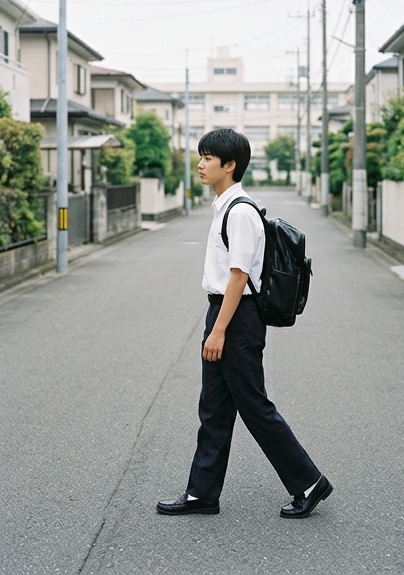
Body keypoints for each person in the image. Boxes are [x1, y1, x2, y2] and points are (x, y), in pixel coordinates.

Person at [156, 128, 330, 519]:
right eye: (200, 156)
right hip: (224, 314)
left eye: (208, 158)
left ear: (229, 166)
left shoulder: (241, 212)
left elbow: (238, 276)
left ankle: (309, 481)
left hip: (236, 319)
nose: (200, 164)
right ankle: (202, 493)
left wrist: (218, 329)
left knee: (254, 406)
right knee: (215, 408)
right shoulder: (226, 207)